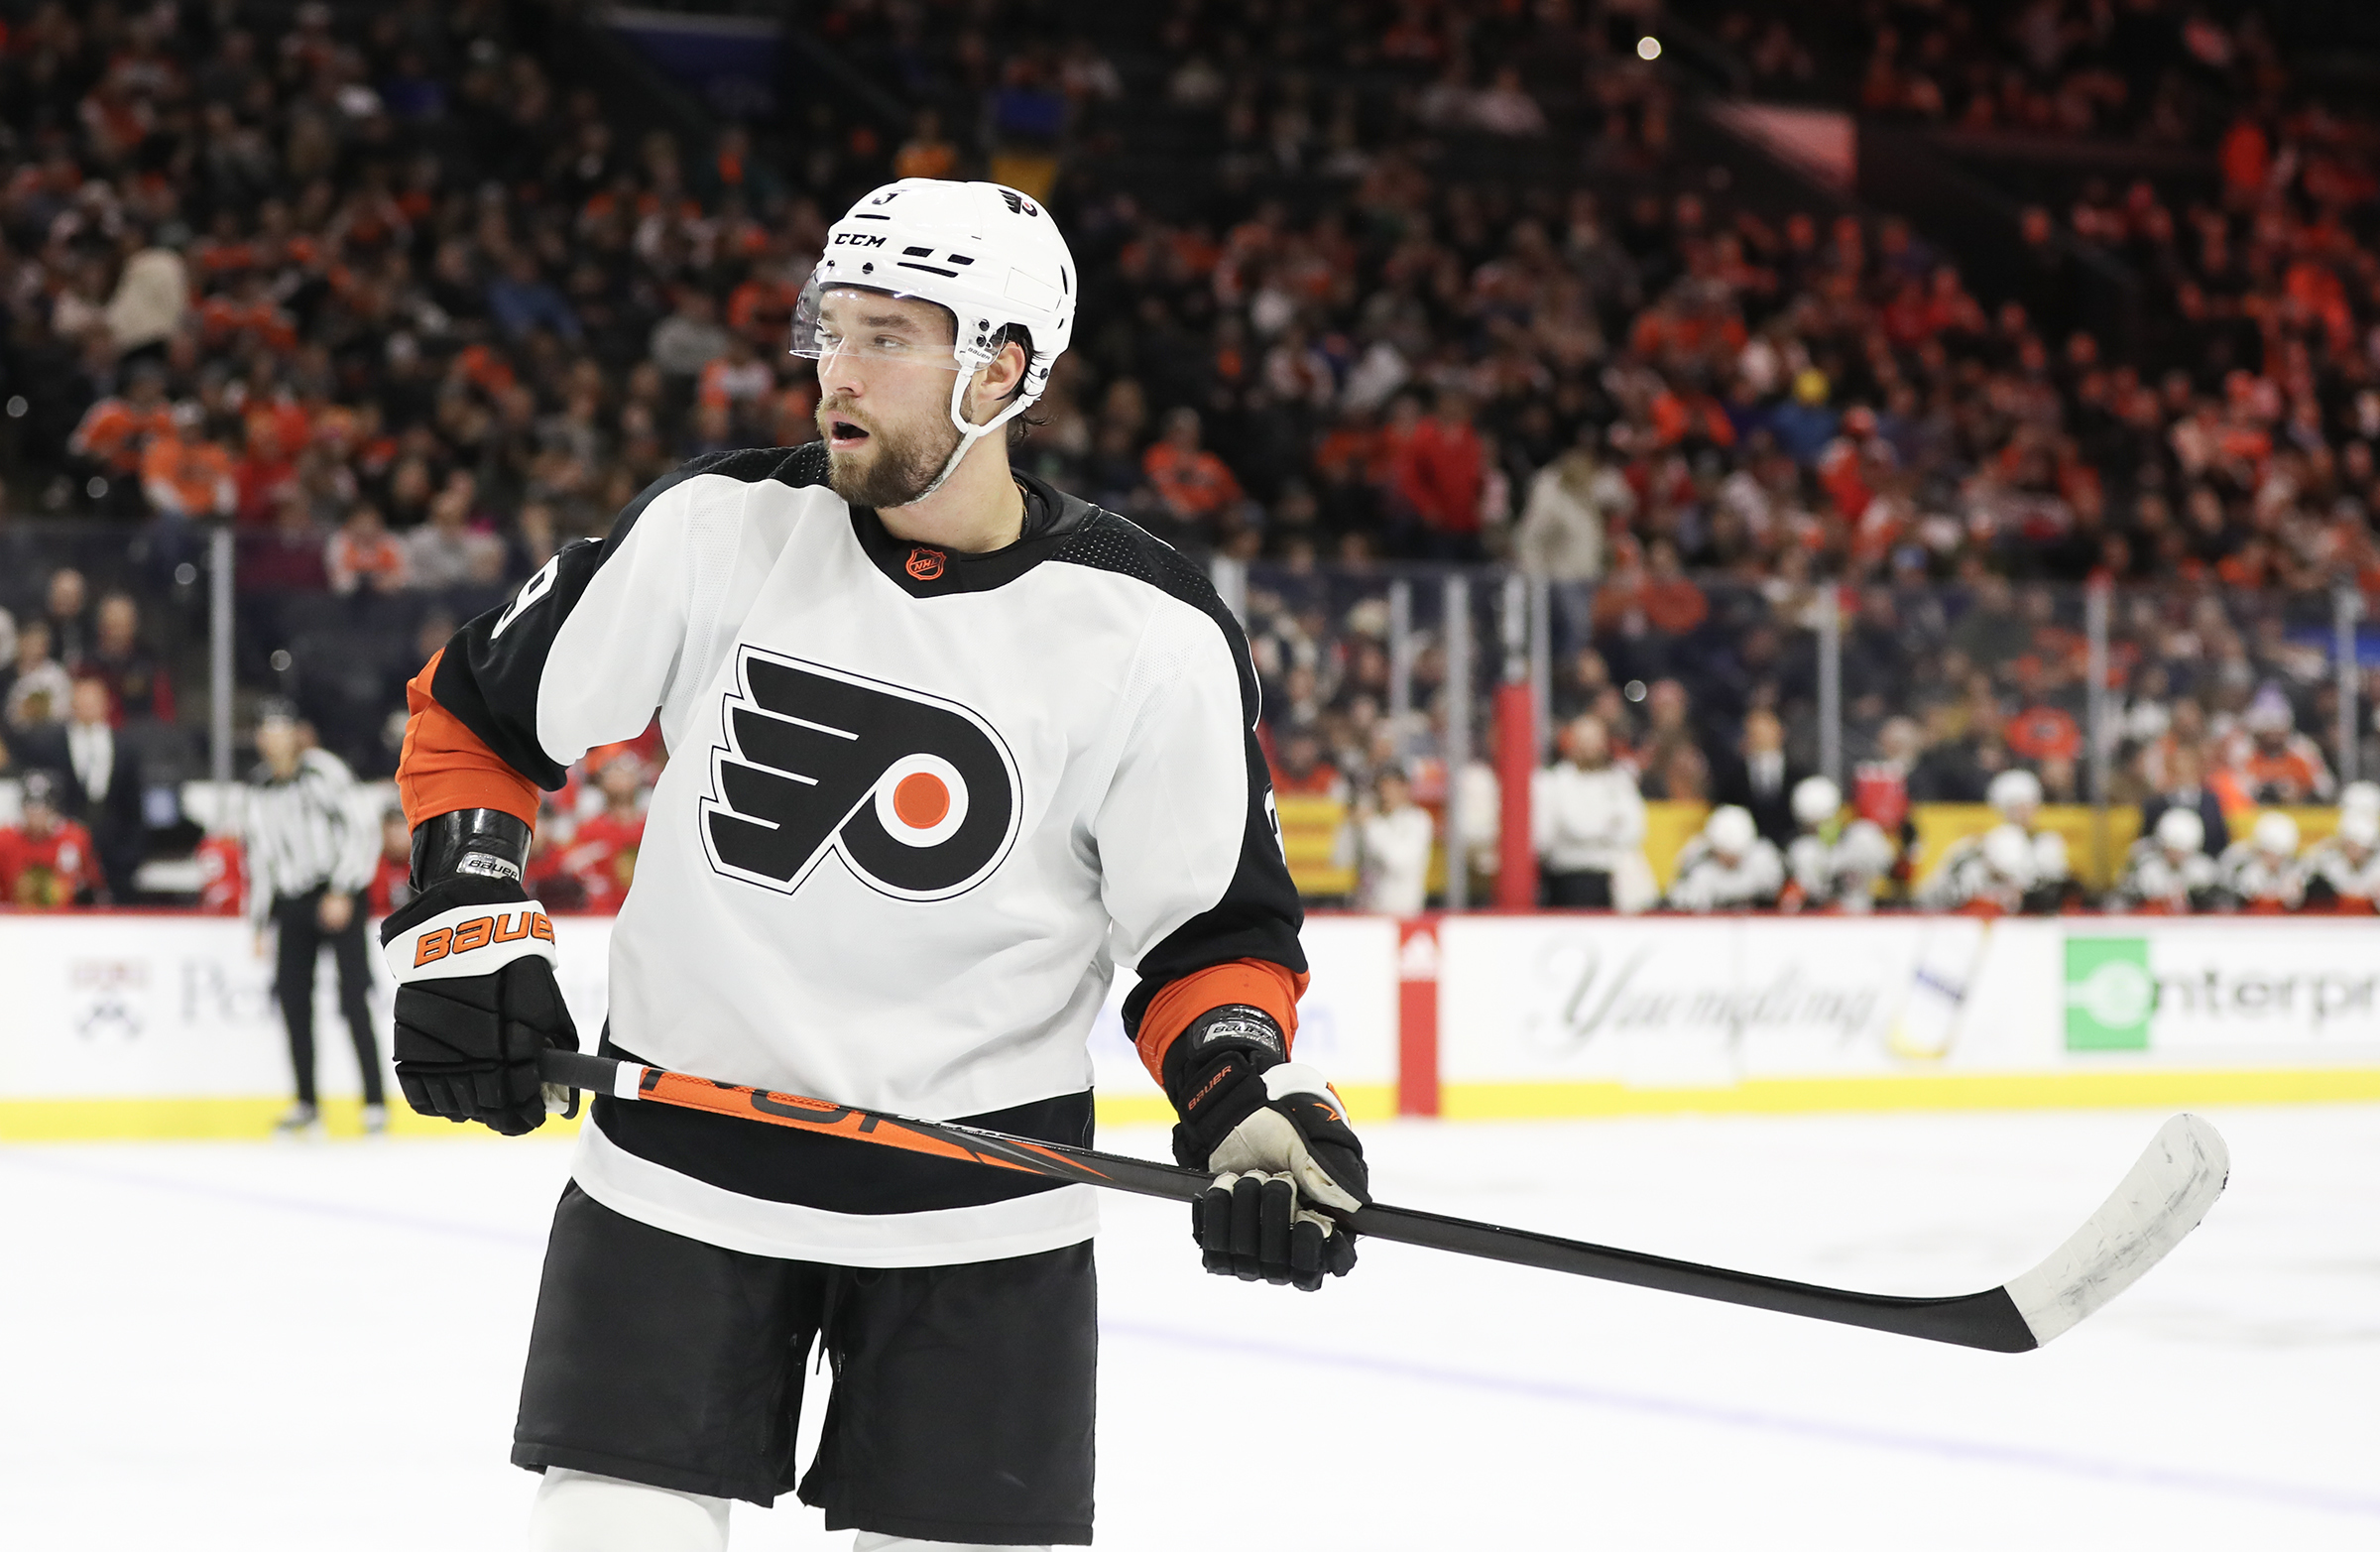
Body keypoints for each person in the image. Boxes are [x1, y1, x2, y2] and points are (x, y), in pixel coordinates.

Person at [375, 180, 1366, 1552]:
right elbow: (479, 713)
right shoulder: (720, 527)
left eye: (891, 337)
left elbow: (1204, 938)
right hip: (675, 1178)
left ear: (1003, 369)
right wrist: (470, 912)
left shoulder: (1150, 629)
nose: (838, 370)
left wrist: (1246, 1094)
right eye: (830, 328)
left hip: (982, 1224)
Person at [246, 703, 383, 1136]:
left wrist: (343, 888)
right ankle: (307, 1101)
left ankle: (374, 1101)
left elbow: (362, 829)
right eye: (267, 730)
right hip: (292, 903)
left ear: (297, 734)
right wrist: (258, 923)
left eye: (282, 728)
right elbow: (260, 861)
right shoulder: (260, 791)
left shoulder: (325, 772)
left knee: (353, 998)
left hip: (336, 893)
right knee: (292, 1000)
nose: (275, 738)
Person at [16, 677, 145, 900]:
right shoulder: (50, 744)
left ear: (106, 705)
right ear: (72, 706)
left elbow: (133, 805)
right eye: (81, 703)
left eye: (93, 702)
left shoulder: (125, 747)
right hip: (64, 850)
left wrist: (131, 854)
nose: (87, 709)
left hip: (114, 852)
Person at [1531, 714, 1645, 907]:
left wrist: (1586, 831)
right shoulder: (1552, 782)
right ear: (1570, 743)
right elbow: (1545, 836)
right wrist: (1606, 827)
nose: (1588, 748)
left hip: (1612, 879)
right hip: (1564, 878)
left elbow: (1633, 831)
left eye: (1594, 741)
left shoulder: (1620, 781)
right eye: (1582, 741)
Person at [559, 753, 649, 913]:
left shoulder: (650, 826)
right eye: (613, 774)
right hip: (602, 911)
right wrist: (588, 856)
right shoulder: (589, 828)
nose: (619, 779)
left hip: (643, 907)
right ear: (602, 782)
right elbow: (567, 863)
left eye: (624, 774)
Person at [0, 771, 105, 907]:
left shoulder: (74, 837)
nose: (36, 813)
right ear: (22, 808)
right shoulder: (5, 839)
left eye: (43, 806)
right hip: (16, 920)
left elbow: (94, 885)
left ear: (54, 809)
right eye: (30, 806)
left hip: (64, 921)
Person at [1709, 708, 1805, 847]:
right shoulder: (1733, 779)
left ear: (1780, 732)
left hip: (1791, 846)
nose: (1760, 736)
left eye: (1765, 730)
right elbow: (1724, 812)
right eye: (1754, 732)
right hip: (1746, 852)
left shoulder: (1797, 776)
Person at [1345, 765, 1433, 915]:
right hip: (1368, 913)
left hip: (1403, 915)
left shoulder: (1418, 821)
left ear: (1405, 788)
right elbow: (1341, 859)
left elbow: (1398, 861)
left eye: (1390, 786)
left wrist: (1370, 824)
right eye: (1381, 787)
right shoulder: (1376, 820)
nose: (1384, 793)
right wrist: (1349, 825)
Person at [1665, 804, 1784, 912]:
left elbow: (1782, 896)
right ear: (1714, 848)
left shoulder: (1764, 860)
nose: (1732, 861)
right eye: (1726, 856)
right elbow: (1679, 902)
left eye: (1737, 856)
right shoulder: (1698, 867)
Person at [2112, 807, 2221, 913]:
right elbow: (2120, 903)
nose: (2175, 855)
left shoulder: (2204, 872)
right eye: (2171, 849)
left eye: (2181, 850)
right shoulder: (2145, 868)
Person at [2218, 811, 2303, 913]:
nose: (2276, 859)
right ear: (2261, 848)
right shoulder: (2240, 862)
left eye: (2282, 856)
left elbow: (2293, 899)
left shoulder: (2290, 867)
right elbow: (2248, 895)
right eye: (2272, 853)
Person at [2302, 808, 2380, 912]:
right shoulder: (2331, 864)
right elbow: (2303, 871)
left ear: (2369, 848)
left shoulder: (2376, 868)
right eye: (2349, 844)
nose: (2352, 849)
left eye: (2358, 846)